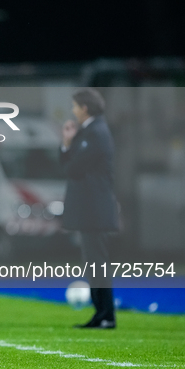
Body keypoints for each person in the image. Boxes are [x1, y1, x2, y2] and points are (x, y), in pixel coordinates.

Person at [60, 88, 120, 329]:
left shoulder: (96, 132)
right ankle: (101, 313)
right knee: (93, 263)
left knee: (97, 262)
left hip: (94, 209)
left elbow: (72, 168)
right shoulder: (90, 131)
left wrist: (67, 144)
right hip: (91, 209)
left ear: (85, 108)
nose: (73, 111)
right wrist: (67, 144)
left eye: (75, 106)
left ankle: (106, 315)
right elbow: (70, 163)